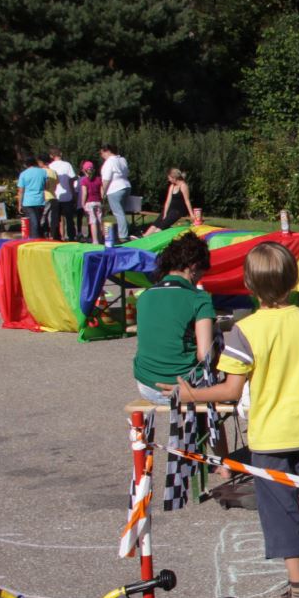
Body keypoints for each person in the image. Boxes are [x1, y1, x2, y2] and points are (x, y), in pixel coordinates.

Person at [177, 242, 299, 598]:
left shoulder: (245, 331)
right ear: (293, 280)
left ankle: (298, 593)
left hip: (271, 439)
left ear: (248, 284)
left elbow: (231, 389)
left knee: (281, 514)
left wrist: (191, 394)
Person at [133, 232, 217, 406]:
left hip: (147, 385)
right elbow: (205, 355)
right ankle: (207, 431)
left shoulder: (145, 296)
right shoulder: (199, 299)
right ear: (194, 267)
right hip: (184, 386)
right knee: (217, 341)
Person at [99, 144, 133, 242]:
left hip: (115, 188)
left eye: (102, 153)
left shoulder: (109, 161)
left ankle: (123, 235)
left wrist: (103, 192)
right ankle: (127, 228)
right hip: (126, 186)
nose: (102, 156)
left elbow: (106, 179)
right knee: (121, 211)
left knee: (118, 212)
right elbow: (127, 172)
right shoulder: (122, 160)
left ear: (107, 151)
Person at [48, 149, 79, 241]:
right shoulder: (67, 165)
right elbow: (72, 179)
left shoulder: (50, 166)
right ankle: (71, 237)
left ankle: (56, 237)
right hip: (67, 195)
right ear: (61, 154)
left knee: (55, 219)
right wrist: (73, 193)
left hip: (55, 195)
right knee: (69, 219)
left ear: (51, 156)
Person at [15, 157, 48, 235]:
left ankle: (34, 239)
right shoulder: (43, 172)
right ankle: (40, 237)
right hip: (40, 200)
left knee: (33, 222)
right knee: (38, 220)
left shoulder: (23, 174)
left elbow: (21, 191)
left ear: (26, 165)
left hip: (28, 201)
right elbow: (46, 186)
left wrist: (19, 204)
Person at [153, 167, 192, 233]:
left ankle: (153, 237)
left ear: (174, 178)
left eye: (169, 178)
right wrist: (165, 213)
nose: (169, 180)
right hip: (171, 210)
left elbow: (187, 201)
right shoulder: (172, 186)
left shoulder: (183, 186)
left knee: (162, 226)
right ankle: (144, 236)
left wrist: (192, 214)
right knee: (159, 221)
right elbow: (168, 201)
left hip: (178, 211)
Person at [79, 159, 105, 245]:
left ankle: (95, 240)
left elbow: (84, 193)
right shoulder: (99, 179)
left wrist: (82, 203)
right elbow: (102, 192)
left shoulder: (84, 181)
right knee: (99, 221)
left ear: (84, 170)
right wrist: (103, 201)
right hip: (98, 202)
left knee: (93, 222)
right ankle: (101, 238)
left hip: (89, 203)